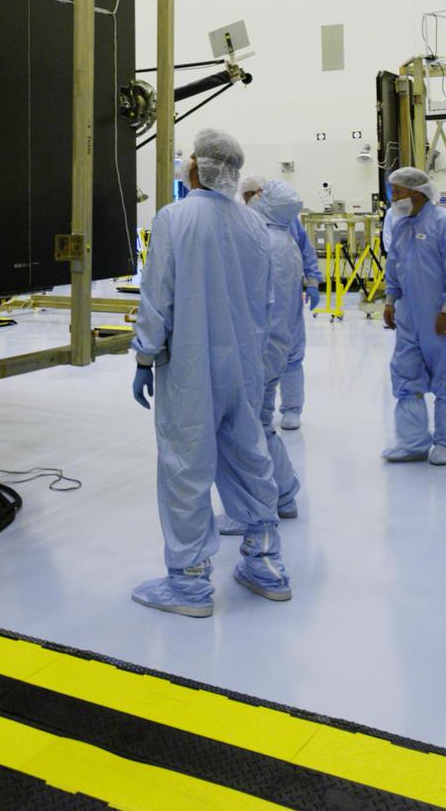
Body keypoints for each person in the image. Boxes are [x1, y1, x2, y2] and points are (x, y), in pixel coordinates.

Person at [130, 129, 292, 617]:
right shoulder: (253, 226)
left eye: (190, 158)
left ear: (200, 166)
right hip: (243, 364)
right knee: (248, 456)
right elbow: (264, 303)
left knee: (186, 464)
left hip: (191, 364)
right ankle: (265, 563)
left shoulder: (174, 219)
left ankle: (190, 584)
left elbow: (158, 296)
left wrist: (143, 355)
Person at [220, 180, 303, 534]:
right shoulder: (285, 242)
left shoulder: (265, 244)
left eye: (259, 197)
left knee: (246, 431)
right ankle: (284, 494)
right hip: (273, 349)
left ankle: (251, 509)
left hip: (259, 351)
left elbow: (252, 304)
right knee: (261, 426)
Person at [382, 167, 446, 466]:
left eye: (399, 192)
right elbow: (393, 265)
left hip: (442, 317)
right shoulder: (400, 224)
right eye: (392, 191)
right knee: (406, 375)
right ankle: (413, 442)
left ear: (418, 192)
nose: (394, 197)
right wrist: (390, 299)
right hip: (409, 317)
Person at [241, 175, 320, 429]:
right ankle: (263, 409)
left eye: (252, 196)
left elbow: (306, 250)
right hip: (265, 304)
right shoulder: (246, 222)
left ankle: (290, 408)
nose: (249, 201)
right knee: (269, 353)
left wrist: (312, 281)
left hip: (286, 299)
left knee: (287, 353)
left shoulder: (285, 226)